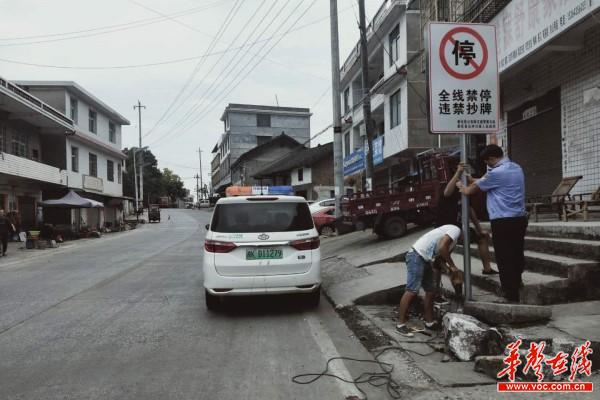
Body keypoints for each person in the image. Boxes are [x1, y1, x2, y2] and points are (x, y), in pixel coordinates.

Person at [457, 144, 527, 302]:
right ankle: (517, 282)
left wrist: (462, 186)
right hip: (519, 218)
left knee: (504, 257)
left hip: (502, 221)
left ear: (492, 158)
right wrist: (472, 179)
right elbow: (487, 181)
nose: (486, 165)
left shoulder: (495, 173)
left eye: (486, 162)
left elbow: (470, 190)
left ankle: (511, 294)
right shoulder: (516, 168)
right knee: (517, 253)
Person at [396, 224, 461, 337]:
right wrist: (452, 266)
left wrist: (448, 270)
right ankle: (400, 325)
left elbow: (439, 259)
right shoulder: (456, 230)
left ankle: (429, 322)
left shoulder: (452, 242)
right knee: (412, 290)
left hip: (425, 259)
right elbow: (442, 248)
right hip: (416, 255)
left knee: (431, 291)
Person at [436, 162, 498, 275]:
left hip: (458, 229)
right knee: (440, 258)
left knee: (482, 237)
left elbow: (470, 210)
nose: (468, 176)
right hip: (445, 230)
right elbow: (446, 193)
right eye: (465, 173)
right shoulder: (448, 186)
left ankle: (487, 269)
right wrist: (458, 173)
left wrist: (479, 229)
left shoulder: (464, 190)